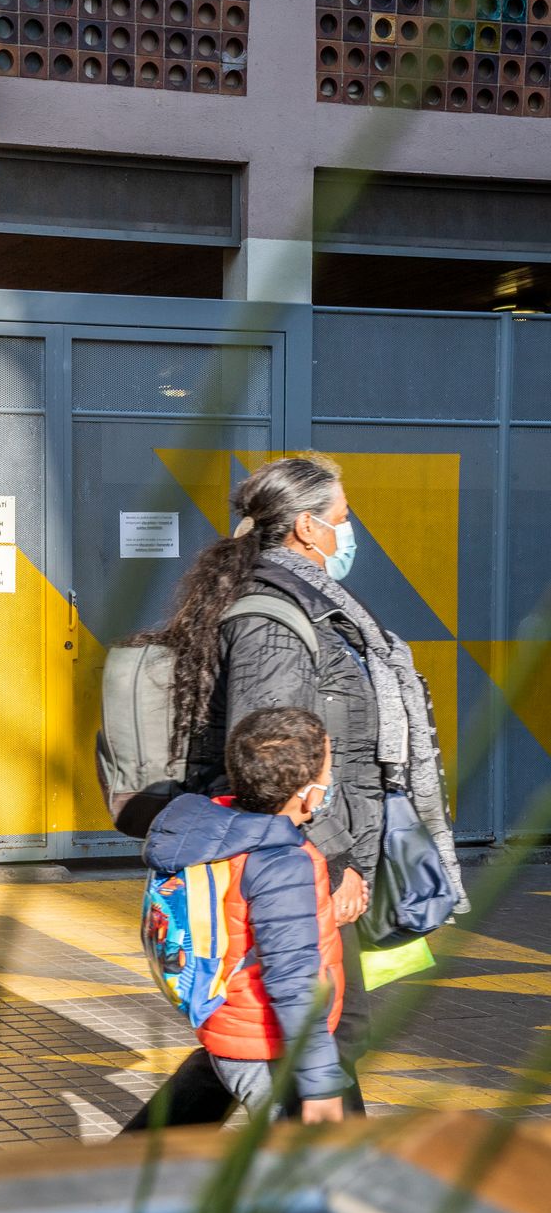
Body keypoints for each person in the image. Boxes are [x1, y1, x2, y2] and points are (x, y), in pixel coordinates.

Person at [122, 452, 467, 1130]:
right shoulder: (273, 619)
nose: (350, 528)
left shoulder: (312, 602)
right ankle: (340, 1176)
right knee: (327, 1026)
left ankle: (127, 1165)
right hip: (305, 856)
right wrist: (329, 864)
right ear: (308, 527)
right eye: (343, 515)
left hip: (322, 850)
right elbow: (273, 753)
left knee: (268, 1028)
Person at [142, 707, 348, 1124]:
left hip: (225, 1015)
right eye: (327, 772)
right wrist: (320, 1083)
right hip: (266, 1040)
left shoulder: (218, 831)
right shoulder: (282, 865)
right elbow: (293, 981)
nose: (330, 780)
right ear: (308, 794)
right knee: (302, 1165)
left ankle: (121, 1175)